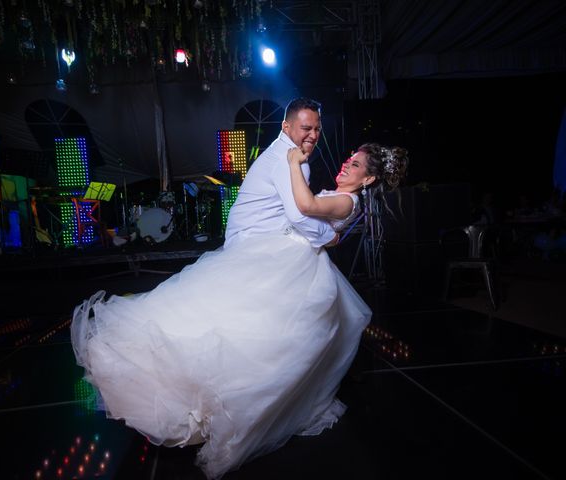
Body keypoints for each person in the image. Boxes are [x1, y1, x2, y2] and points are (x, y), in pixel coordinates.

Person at [71, 98, 374, 479]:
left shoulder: (302, 164)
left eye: (316, 129)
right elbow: (301, 213)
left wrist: (325, 233)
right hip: (263, 243)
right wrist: (327, 236)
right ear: (286, 127)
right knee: (249, 319)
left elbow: (305, 213)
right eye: (305, 128)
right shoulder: (290, 158)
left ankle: (244, 393)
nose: (312, 135)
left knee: (260, 323)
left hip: (270, 243)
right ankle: (221, 391)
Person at [286, 143, 409, 235]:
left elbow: (307, 206)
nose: (345, 165)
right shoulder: (340, 196)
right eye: (348, 161)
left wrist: (294, 163)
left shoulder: (347, 202)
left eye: (355, 165)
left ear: (368, 179)